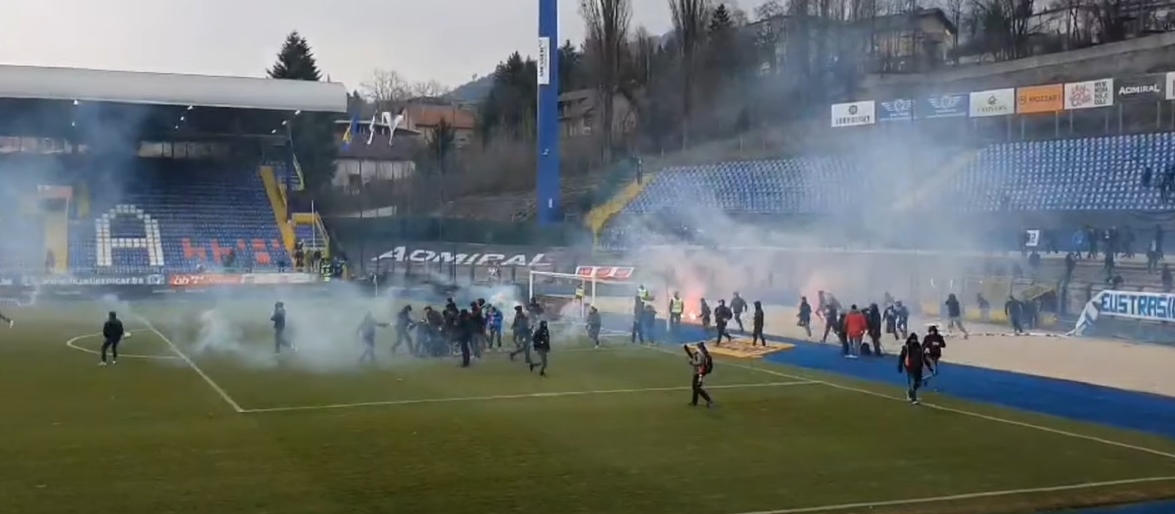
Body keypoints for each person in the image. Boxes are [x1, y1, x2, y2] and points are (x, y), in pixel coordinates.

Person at [897, 332, 933, 405]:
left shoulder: (919, 348)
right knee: (914, 382)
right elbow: (901, 357)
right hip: (910, 367)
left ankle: (911, 393)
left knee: (918, 382)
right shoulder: (906, 347)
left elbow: (924, 358)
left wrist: (929, 367)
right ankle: (913, 398)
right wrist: (900, 366)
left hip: (918, 367)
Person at [684, 342, 714, 408]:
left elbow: (699, 362)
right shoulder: (703, 353)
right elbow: (695, 358)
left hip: (699, 373)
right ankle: (694, 402)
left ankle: (709, 400)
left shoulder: (699, 353)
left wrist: (692, 363)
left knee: (697, 387)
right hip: (700, 372)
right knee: (695, 387)